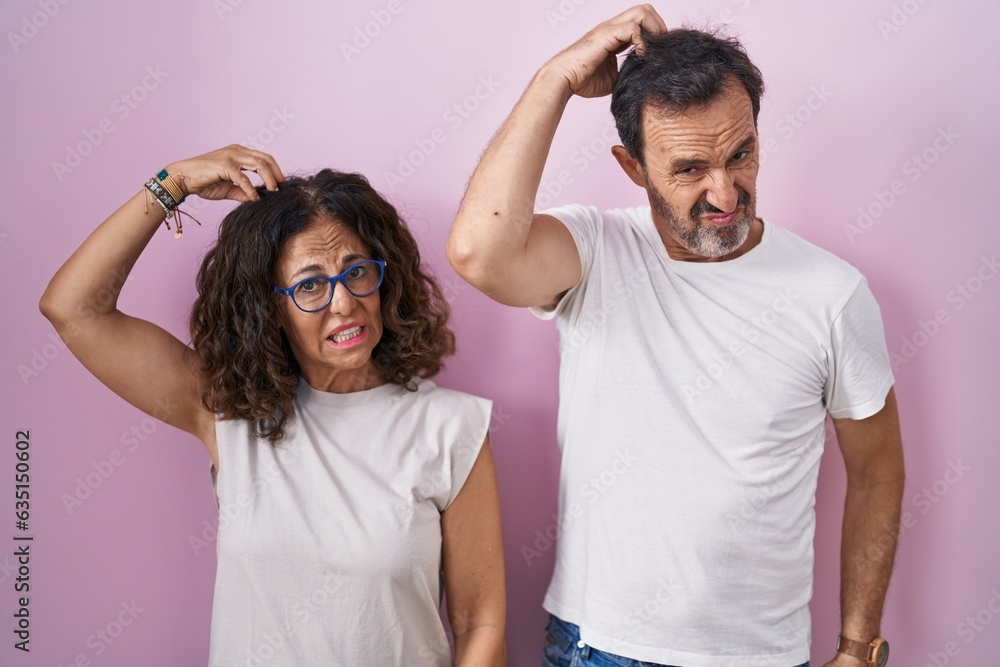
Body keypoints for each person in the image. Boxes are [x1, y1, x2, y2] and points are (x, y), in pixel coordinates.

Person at [447, 6, 903, 667]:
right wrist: (557, 77)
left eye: (741, 154)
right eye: (690, 168)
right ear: (633, 167)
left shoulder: (832, 293)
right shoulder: (594, 251)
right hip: (598, 648)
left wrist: (860, 649)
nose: (725, 193)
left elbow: (878, 471)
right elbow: (479, 253)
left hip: (761, 656)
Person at [40, 145, 506, 666]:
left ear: (385, 276)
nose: (344, 302)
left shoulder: (451, 427)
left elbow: (478, 622)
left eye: (357, 272)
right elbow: (73, 309)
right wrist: (172, 182)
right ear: (269, 308)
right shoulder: (230, 415)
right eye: (310, 285)